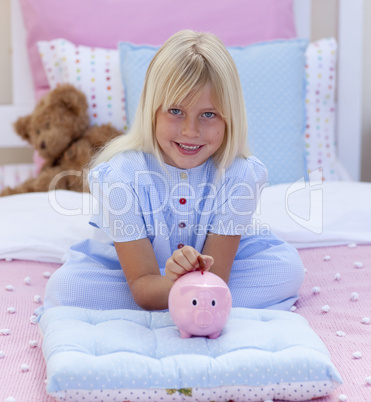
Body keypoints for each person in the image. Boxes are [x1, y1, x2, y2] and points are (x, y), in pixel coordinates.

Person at [42, 30, 305, 313]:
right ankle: (192, 304)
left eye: (208, 114)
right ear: (151, 111)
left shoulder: (239, 175)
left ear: (230, 118)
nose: (190, 131)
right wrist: (174, 282)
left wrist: (190, 280)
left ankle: (179, 304)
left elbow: (217, 277)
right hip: (136, 277)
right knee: (68, 287)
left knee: (286, 270)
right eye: (176, 111)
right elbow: (142, 285)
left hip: (212, 278)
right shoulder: (121, 176)